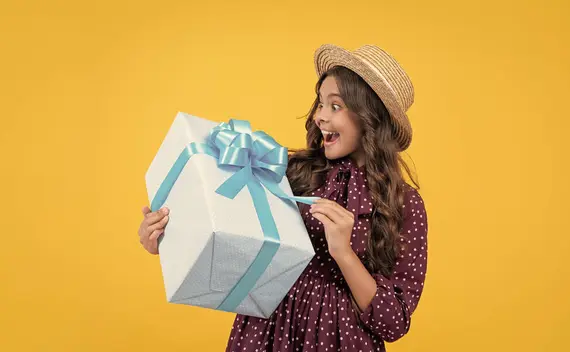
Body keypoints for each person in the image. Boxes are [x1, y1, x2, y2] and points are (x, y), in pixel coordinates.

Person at [138, 44, 428, 351]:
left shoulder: (403, 204)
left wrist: (343, 252)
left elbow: (393, 322)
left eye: (336, 106)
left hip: (341, 342)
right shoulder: (291, 172)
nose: (320, 117)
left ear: (370, 118)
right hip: (266, 332)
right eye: (320, 103)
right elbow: (233, 234)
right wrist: (168, 237)